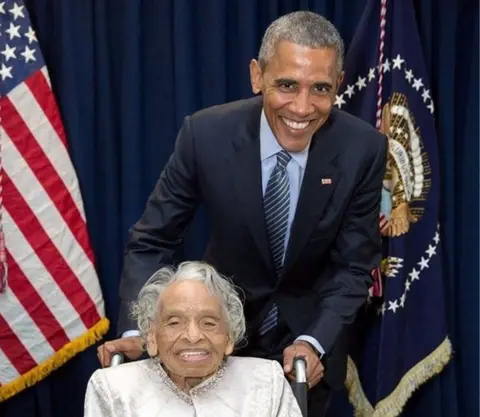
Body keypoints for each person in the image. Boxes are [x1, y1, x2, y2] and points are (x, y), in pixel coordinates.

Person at [98, 11, 387, 416]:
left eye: (319, 89)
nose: (302, 108)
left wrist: (314, 342)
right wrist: (139, 330)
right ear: (257, 76)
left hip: (305, 350)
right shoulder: (206, 135)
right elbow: (153, 240)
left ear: (338, 85)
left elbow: (354, 265)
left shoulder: (364, 149)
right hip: (212, 340)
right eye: (287, 85)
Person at [87, 262, 302, 416]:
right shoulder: (112, 388)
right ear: (151, 337)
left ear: (229, 337)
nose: (193, 336)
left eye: (208, 323)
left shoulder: (267, 380)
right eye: (174, 322)